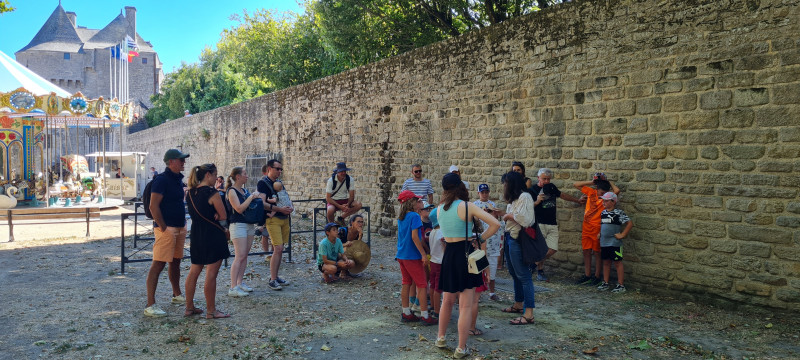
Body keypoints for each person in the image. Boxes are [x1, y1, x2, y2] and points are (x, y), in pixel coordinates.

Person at [435, 174, 500, 358]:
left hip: (449, 255)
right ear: (460, 187)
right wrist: (480, 238)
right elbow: (495, 224)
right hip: (465, 253)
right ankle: (461, 348)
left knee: (447, 301)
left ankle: (440, 338)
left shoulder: (439, 209)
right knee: (465, 305)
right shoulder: (466, 206)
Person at [144, 149, 190, 317]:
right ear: (171, 162)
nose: (183, 162)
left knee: (176, 261)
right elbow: (153, 206)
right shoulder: (161, 180)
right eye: (180, 160)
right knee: (158, 263)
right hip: (167, 228)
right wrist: (163, 226)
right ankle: (150, 304)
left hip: (178, 226)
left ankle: (176, 294)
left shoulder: (177, 180)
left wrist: (182, 224)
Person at [184, 163, 231, 319]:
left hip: (197, 233)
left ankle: (189, 307)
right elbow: (223, 215)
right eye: (215, 174)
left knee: (194, 271)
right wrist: (216, 215)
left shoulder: (190, 192)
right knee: (211, 274)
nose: (216, 178)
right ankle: (211, 311)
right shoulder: (212, 193)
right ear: (208, 175)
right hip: (212, 234)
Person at [529, 168, 584, 281]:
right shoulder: (532, 190)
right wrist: (537, 201)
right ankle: (540, 271)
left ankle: (533, 265)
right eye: (544, 179)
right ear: (538, 178)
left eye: (548, 179)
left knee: (553, 249)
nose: (546, 181)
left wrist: (577, 200)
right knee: (541, 248)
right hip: (539, 223)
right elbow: (528, 208)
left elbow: (562, 195)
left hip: (552, 223)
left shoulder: (552, 187)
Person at [500, 171, 537, 326]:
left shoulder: (525, 197)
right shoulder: (515, 200)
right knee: (514, 274)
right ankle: (518, 304)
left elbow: (526, 220)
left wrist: (508, 216)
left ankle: (528, 314)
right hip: (510, 237)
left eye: (505, 183)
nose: (504, 187)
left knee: (524, 275)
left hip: (517, 239)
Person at [395, 190, 437, 325]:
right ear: (411, 202)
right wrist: (423, 254)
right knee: (422, 284)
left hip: (402, 254)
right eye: (417, 200)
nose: (420, 202)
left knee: (406, 283)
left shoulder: (401, 217)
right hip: (412, 256)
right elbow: (414, 237)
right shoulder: (414, 216)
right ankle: (425, 315)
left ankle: (406, 312)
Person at [573, 173, 621, 285]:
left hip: (598, 228)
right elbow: (576, 184)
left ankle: (597, 276)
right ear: (597, 189)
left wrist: (608, 182)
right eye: (601, 192)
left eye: (605, 193)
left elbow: (617, 190)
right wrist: (593, 182)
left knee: (597, 252)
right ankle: (587, 275)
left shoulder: (607, 198)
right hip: (586, 227)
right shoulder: (591, 192)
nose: (602, 195)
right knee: (586, 251)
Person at [257, 160, 294, 291]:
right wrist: (279, 210)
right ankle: (272, 279)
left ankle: (275, 276)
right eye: (277, 169)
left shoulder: (280, 183)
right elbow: (262, 203)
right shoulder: (262, 183)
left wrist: (290, 207)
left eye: (280, 169)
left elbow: (284, 198)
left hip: (284, 218)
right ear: (269, 169)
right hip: (273, 220)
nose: (279, 171)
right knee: (277, 248)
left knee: (280, 248)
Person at [226, 167, 261, 297]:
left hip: (248, 224)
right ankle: (233, 287)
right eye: (245, 174)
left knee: (245, 255)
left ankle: (240, 282)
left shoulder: (244, 190)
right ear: (237, 176)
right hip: (238, 225)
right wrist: (251, 197)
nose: (247, 176)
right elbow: (239, 209)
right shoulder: (232, 191)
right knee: (239, 256)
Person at [473, 184, 504, 301]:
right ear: (478, 193)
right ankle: (478, 292)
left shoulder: (492, 204)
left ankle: (492, 292)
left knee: (492, 269)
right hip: (481, 240)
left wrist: (495, 212)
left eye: (486, 192)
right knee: (479, 268)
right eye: (482, 192)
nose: (485, 194)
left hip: (493, 242)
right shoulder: (474, 205)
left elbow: (497, 221)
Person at [597, 192, 633, 293]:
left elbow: (629, 223)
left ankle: (621, 285)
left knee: (617, 263)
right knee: (606, 262)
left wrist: (623, 235)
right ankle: (605, 282)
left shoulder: (619, 213)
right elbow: (603, 225)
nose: (604, 202)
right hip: (604, 242)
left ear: (613, 202)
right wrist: (600, 233)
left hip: (615, 243)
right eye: (603, 200)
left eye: (606, 200)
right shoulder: (603, 213)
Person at [427, 208, 444, 319]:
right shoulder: (442, 233)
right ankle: (437, 311)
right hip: (440, 262)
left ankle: (433, 306)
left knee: (432, 285)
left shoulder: (432, 232)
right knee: (438, 288)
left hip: (433, 261)